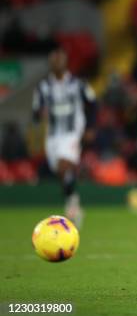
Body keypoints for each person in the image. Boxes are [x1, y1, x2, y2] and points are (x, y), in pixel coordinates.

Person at [32, 48, 97, 228]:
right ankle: (73, 200)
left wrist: (90, 127)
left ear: (66, 63)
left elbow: (92, 103)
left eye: (60, 60)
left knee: (63, 165)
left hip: (72, 132)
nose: (57, 63)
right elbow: (35, 112)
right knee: (61, 172)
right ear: (50, 64)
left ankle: (72, 203)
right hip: (52, 135)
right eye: (54, 60)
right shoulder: (43, 86)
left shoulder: (78, 84)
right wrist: (40, 114)